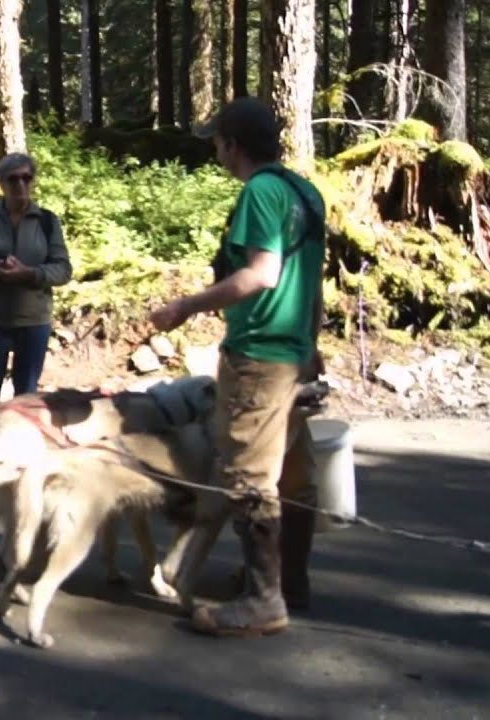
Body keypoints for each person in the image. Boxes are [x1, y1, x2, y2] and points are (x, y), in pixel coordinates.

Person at [150, 96, 326, 637]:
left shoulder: (261, 192)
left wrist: (185, 306)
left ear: (233, 145)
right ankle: (288, 581)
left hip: (260, 356)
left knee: (249, 478)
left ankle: (264, 600)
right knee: (294, 476)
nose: (215, 149)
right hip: (293, 353)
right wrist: (311, 345)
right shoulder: (304, 191)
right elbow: (311, 280)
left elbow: (262, 274)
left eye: (217, 141)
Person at [0, 153, 72, 423]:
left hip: (34, 323)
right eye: (12, 179)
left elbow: (63, 270)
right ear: (1, 183)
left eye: (26, 178)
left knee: (27, 400)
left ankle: (21, 459)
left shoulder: (46, 221)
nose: (20, 185)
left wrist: (30, 274)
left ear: (33, 181)